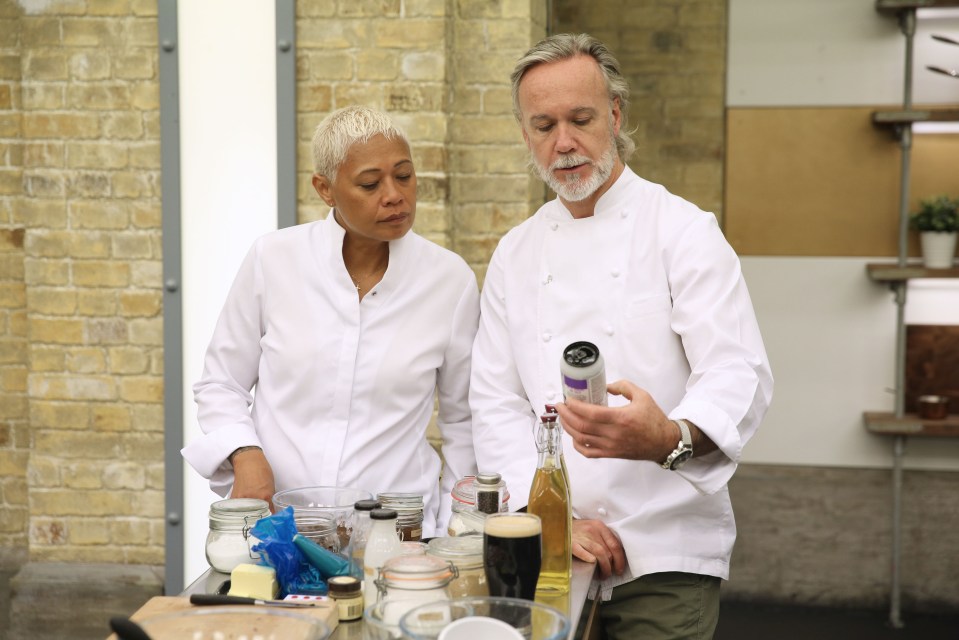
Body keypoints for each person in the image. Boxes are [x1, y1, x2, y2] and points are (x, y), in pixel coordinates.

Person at [470, 34, 773, 639]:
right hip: (554, 550)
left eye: (580, 119)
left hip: (664, 553)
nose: (564, 142)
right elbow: (496, 404)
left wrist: (668, 437)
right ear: (526, 135)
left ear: (614, 115)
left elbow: (737, 373)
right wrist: (549, 518)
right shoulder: (516, 253)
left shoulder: (682, 231)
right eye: (543, 125)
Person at [182, 106, 480, 536]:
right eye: (370, 183)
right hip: (277, 529)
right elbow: (220, 383)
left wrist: (456, 528)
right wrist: (245, 454)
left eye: (404, 175)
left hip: (396, 537)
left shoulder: (449, 281)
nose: (394, 194)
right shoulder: (274, 260)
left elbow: (464, 419)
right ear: (325, 189)